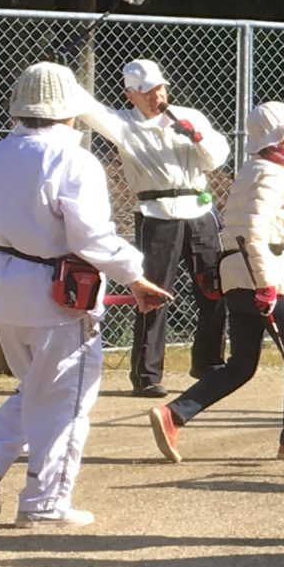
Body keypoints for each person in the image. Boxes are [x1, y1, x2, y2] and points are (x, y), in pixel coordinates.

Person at [0, 63, 172, 528]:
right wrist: (134, 274)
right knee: (67, 400)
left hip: (5, 295)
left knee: (39, 388)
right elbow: (92, 238)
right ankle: (45, 502)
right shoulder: (73, 161)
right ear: (70, 111)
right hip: (57, 299)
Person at [147, 102, 284, 462]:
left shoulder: (250, 172)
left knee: (241, 365)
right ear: (277, 138)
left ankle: (174, 414)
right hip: (264, 280)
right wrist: (267, 285)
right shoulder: (273, 176)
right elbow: (256, 234)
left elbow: (270, 238)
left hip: (238, 277)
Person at [75, 58, 230, 396]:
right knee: (153, 292)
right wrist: (60, 71)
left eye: (160, 88)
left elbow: (218, 157)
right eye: (147, 92)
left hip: (199, 209)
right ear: (131, 95)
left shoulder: (189, 116)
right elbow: (87, 107)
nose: (157, 96)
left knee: (214, 287)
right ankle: (147, 376)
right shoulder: (123, 124)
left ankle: (209, 362)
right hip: (156, 211)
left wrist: (197, 137)